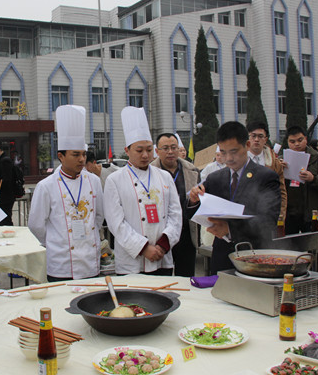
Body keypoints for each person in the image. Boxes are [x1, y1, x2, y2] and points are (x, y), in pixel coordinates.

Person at [188, 122, 281, 274]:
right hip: (222, 257)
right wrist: (193, 200)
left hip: (254, 256)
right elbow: (194, 213)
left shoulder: (265, 177)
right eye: (223, 152)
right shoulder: (215, 178)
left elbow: (268, 220)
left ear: (248, 145)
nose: (229, 158)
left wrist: (230, 229)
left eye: (234, 151)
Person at [28, 105, 104, 281]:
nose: (82, 159)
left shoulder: (93, 181)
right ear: (61, 156)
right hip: (60, 263)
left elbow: (99, 216)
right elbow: (36, 224)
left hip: (90, 261)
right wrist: (57, 241)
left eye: (84, 154)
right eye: (75, 154)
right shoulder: (46, 186)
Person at [104, 106, 182, 275]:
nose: (145, 155)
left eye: (148, 149)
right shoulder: (115, 180)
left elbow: (175, 214)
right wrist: (144, 248)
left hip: (163, 258)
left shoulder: (164, 177)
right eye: (139, 150)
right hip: (131, 263)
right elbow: (116, 223)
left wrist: (163, 244)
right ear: (127, 150)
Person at [281, 126, 318, 272]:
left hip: (311, 213)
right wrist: (279, 170)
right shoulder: (282, 159)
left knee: (314, 252)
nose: (297, 144)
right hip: (290, 213)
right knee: (290, 252)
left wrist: (313, 178)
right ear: (288, 143)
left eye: (300, 140)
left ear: (306, 139)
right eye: (292, 141)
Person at [151, 133, 200, 276]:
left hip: (186, 233)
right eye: (165, 148)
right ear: (157, 151)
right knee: (162, 277)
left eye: (174, 147)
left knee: (186, 277)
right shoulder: (149, 172)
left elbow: (199, 204)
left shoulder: (193, 171)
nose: (170, 152)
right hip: (161, 235)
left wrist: (193, 201)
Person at [246, 122, 287, 230]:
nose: (256, 139)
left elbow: (281, 191)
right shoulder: (237, 160)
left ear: (266, 139)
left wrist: (281, 215)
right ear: (248, 138)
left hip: (268, 216)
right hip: (244, 217)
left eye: (260, 136)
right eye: (253, 136)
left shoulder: (274, 163)